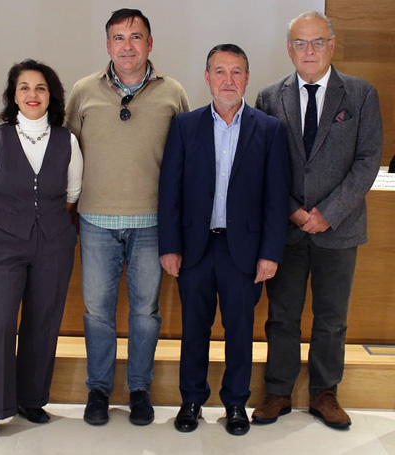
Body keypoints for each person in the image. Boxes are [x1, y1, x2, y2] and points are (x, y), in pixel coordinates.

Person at [252, 10, 382, 430]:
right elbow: (263, 166)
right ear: (289, 48)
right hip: (286, 228)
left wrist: (328, 213)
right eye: (300, 43)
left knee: (332, 318)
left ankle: (325, 393)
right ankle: (278, 391)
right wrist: (292, 208)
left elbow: (367, 160)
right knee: (282, 316)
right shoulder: (270, 97)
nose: (309, 51)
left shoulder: (361, 94)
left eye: (317, 42)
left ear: (332, 44)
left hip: (339, 228)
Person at [64, 8, 189, 426]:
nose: (128, 45)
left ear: (150, 43)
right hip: (96, 221)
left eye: (136, 37)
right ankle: (98, 391)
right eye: (119, 38)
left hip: (152, 224)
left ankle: (139, 389)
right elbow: (66, 156)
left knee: (145, 312)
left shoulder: (172, 92)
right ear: (108, 45)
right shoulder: (83, 91)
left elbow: (186, 158)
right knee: (97, 312)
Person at [158, 44, 290, 436]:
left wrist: (269, 253)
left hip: (244, 252)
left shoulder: (269, 130)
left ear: (247, 78)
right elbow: (170, 192)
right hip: (196, 248)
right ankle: (192, 399)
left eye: (236, 72)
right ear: (207, 77)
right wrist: (169, 245)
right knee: (194, 328)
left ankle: (235, 403)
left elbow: (275, 198)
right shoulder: (185, 125)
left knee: (239, 329)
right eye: (220, 71)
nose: (228, 80)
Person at [0, 59, 83, 445]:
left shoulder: (66, 139)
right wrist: (15, 220)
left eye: (40, 88)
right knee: (0, 324)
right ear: (13, 94)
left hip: (54, 242)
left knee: (43, 322)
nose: (32, 95)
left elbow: (71, 196)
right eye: (24, 87)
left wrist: (43, 222)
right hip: (4, 243)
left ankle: (32, 400)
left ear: (50, 95)